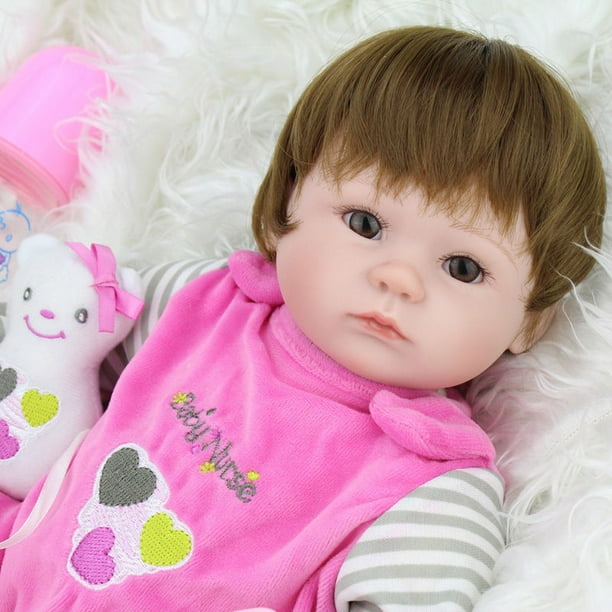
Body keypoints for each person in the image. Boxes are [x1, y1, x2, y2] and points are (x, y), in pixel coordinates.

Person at [0, 25, 605, 611]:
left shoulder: (433, 489)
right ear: (282, 209)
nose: (399, 278)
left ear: (529, 320)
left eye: (463, 267)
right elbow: (69, 344)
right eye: (365, 224)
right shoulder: (205, 302)